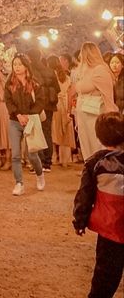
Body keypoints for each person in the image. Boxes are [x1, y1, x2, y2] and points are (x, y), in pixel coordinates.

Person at [73, 112, 124, 298]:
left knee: (104, 280)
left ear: (99, 136)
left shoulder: (95, 162)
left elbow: (85, 195)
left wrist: (79, 221)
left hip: (110, 229)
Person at [4, 54, 46, 196]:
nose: (17, 67)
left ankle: (40, 175)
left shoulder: (35, 83)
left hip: (31, 120)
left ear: (26, 66)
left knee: (32, 154)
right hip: (15, 121)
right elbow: (8, 101)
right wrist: (18, 115)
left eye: (19, 64)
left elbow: (41, 101)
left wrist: (30, 114)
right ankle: (19, 183)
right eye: (14, 64)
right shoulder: (9, 83)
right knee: (15, 154)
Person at [75, 42, 118, 160]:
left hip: (94, 116)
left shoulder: (100, 70)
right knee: (86, 145)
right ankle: (90, 169)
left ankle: (99, 169)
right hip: (83, 115)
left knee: (96, 144)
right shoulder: (83, 71)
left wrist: (110, 119)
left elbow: (108, 96)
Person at [26, 48, 60, 172]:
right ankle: (47, 163)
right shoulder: (50, 71)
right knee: (47, 133)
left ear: (29, 58)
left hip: (36, 106)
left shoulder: (30, 72)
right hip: (49, 105)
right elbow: (58, 89)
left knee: (36, 133)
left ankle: (38, 162)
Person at [48, 55, 76, 167]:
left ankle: (54, 156)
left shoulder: (51, 76)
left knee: (54, 131)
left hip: (55, 104)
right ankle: (65, 159)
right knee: (66, 132)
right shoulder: (67, 77)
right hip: (65, 104)